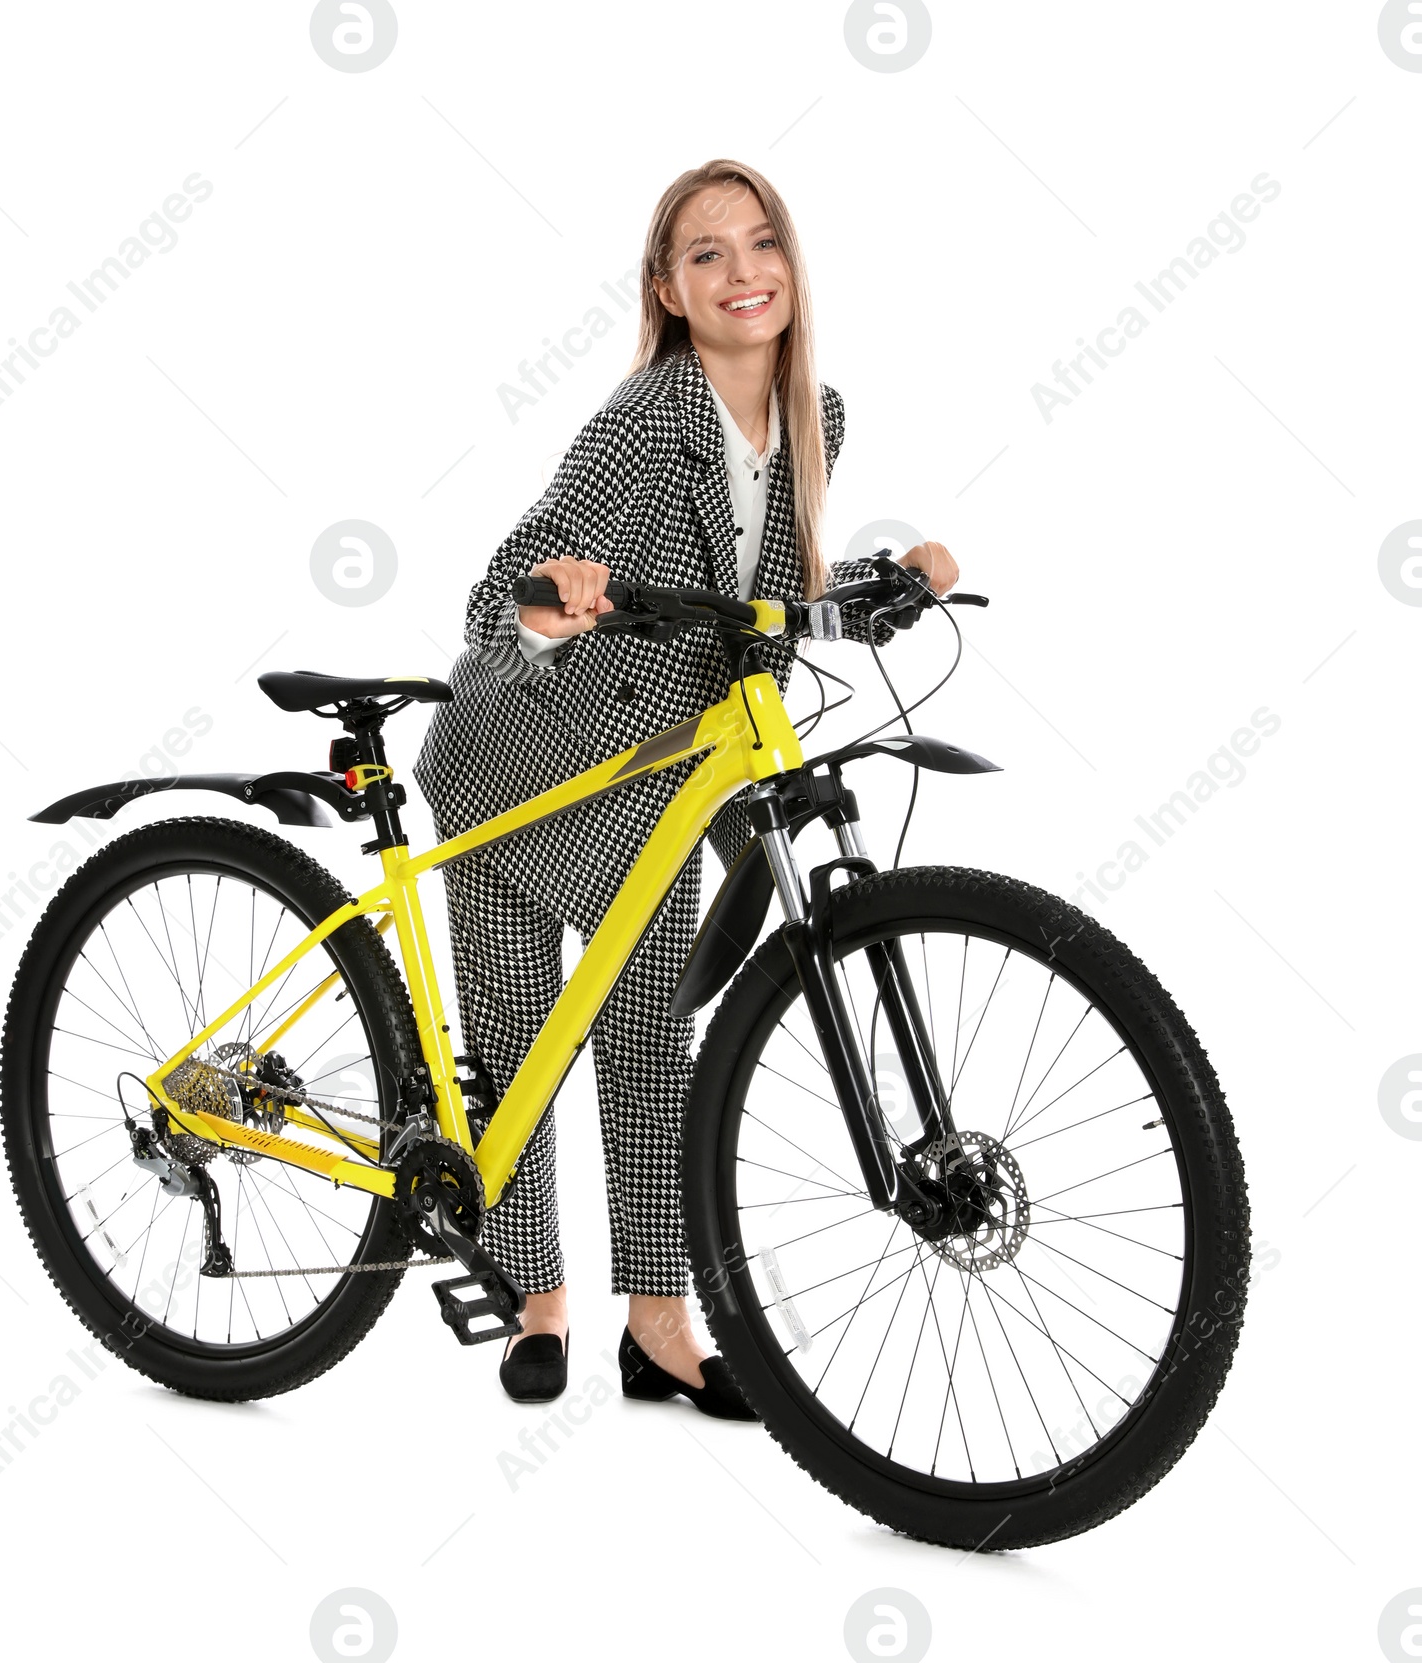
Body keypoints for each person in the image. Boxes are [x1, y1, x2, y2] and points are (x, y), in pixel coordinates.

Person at [412, 158, 959, 1415]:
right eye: (705, 253)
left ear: (791, 262)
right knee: (519, 1044)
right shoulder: (642, 421)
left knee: (652, 1042)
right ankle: (536, 1300)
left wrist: (893, 583)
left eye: (758, 242)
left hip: (660, 779)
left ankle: (656, 1321)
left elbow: (769, 605)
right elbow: (496, 592)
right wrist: (560, 601)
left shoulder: (817, 411)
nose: (741, 271)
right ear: (667, 287)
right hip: (523, 758)